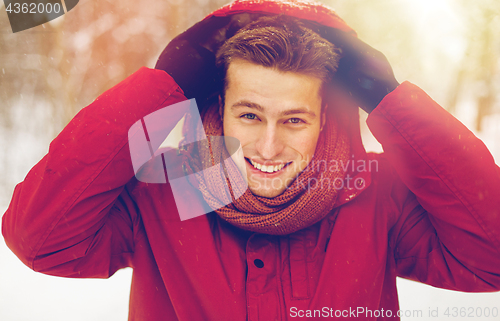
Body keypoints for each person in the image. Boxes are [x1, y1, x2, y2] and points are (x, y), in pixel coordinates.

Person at [3, 0, 500, 320]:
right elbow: (40, 239)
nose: (266, 148)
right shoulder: (166, 187)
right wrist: (162, 88)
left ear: (326, 118)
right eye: (249, 114)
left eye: (294, 120)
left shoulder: (374, 192)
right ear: (219, 108)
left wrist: (390, 99)